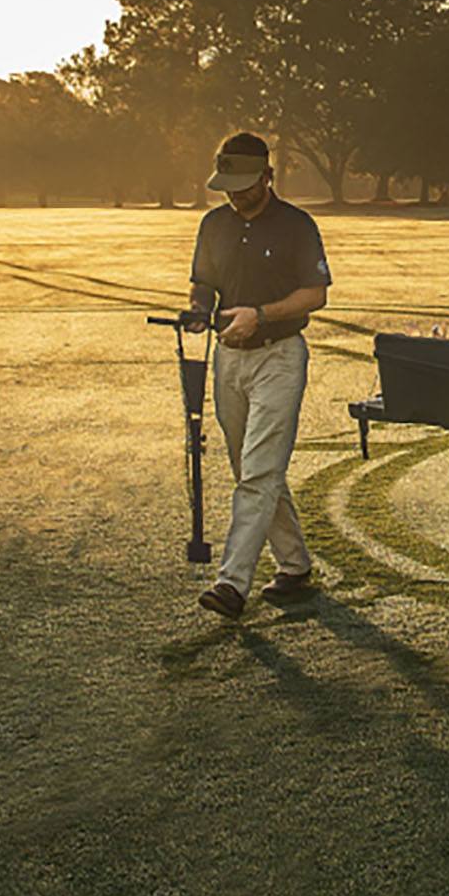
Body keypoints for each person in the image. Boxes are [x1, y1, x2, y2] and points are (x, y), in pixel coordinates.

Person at [187, 131, 331, 618]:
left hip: (279, 356)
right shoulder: (213, 225)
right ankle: (294, 565)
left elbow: (315, 295)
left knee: (259, 471)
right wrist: (198, 310)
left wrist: (261, 315)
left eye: (245, 184)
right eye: (227, 184)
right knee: (251, 468)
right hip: (228, 359)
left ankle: (232, 582)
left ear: (268, 176)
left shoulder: (296, 225)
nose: (235, 193)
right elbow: (202, 283)